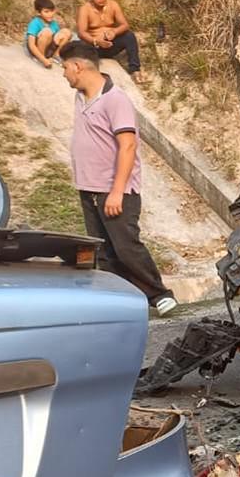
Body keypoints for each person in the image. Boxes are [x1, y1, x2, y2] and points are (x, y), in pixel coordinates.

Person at [59, 40, 177, 316]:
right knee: (105, 253)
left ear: (78, 66)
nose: (64, 73)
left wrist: (116, 191)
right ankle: (123, 303)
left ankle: (160, 295)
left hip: (114, 190)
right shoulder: (81, 97)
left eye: (65, 67)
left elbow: (128, 146)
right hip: (89, 188)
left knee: (126, 248)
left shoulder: (116, 99)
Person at [76, 0, 146, 84]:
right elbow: (81, 33)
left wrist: (114, 31)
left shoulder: (113, 5)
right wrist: (96, 41)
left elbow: (125, 25)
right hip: (95, 47)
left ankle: (135, 70)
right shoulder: (85, 9)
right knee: (80, 45)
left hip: (110, 44)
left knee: (129, 36)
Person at [25, 0, 73, 68]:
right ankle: (41, 58)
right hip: (36, 49)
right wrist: (43, 60)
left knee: (66, 32)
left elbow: (58, 38)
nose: (50, 14)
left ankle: (56, 56)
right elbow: (31, 45)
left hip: (48, 49)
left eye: (52, 11)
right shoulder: (35, 23)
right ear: (39, 12)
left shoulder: (53, 23)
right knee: (47, 31)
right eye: (46, 12)